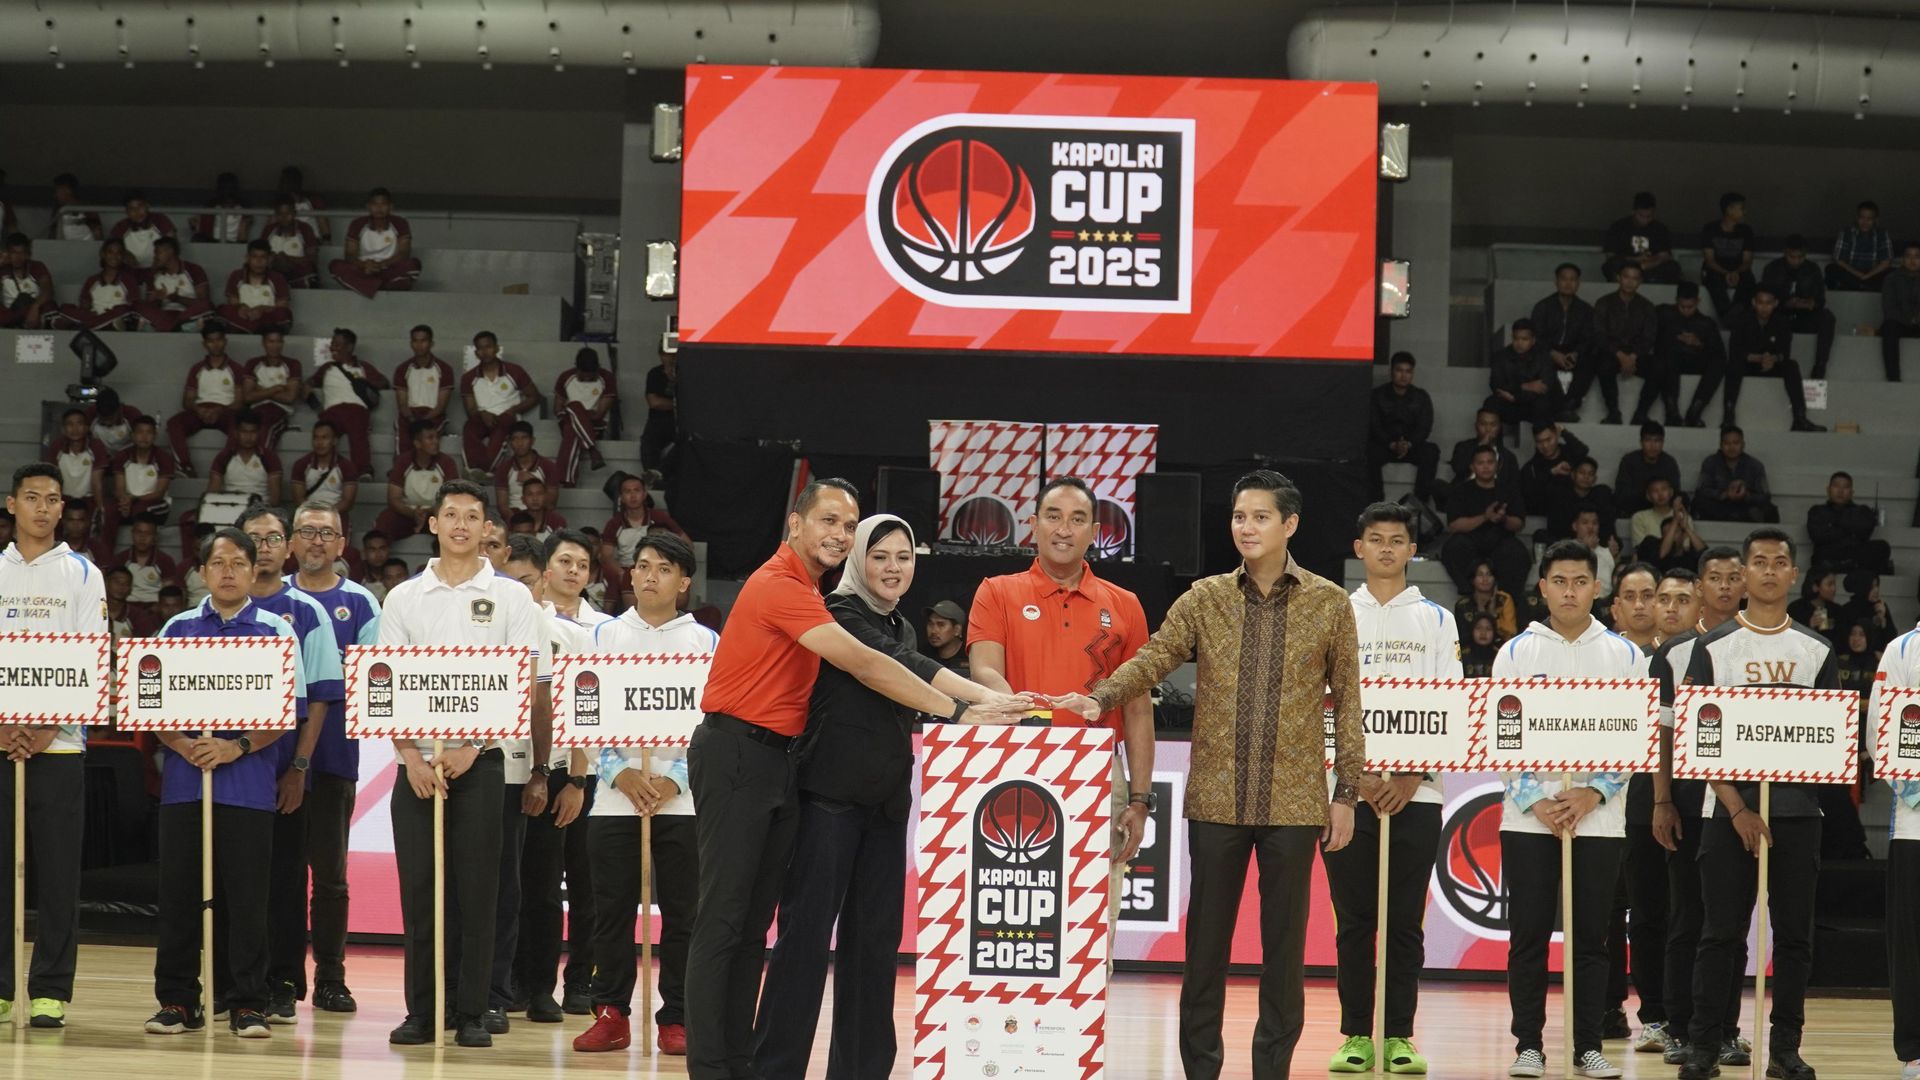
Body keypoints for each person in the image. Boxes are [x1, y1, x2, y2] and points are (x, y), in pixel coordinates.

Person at [683, 478, 1026, 1079]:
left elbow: (906, 661)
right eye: (831, 522)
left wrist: (989, 701)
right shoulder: (790, 588)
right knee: (728, 922)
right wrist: (962, 710)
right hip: (747, 756)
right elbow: (871, 664)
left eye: (849, 525)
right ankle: (718, 1068)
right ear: (796, 523)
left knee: (752, 926)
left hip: (782, 762)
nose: (840, 534)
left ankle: (740, 1064)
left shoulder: (819, 595)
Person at [1055, 469, 1361, 1080]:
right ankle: (1200, 1070)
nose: (1246, 527)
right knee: (1205, 951)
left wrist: (1346, 792)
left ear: (1290, 524)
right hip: (1216, 800)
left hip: (1295, 803)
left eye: (1260, 517)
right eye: (1239, 516)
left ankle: (1272, 1069)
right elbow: (1153, 657)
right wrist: (1099, 696)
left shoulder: (1329, 602)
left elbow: (1349, 701)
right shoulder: (1204, 598)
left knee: (1284, 953)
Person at [380, 480, 553, 1049]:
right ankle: (424, 1010)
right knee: (420, 892)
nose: (460, 525)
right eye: (450, 514)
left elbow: (523, 683)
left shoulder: (512, 598)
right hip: (417, 766)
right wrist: (410, 756)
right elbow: (384, 687)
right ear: (433, 524)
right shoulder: (403, 598)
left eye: (471, 516)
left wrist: (472, 746)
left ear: (486, 529)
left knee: (478, 891)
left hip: (481, 763)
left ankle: (475, 1010)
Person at [965, 476, 1156, 940]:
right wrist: (1025, 715)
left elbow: (1138, 710)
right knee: (1013, 907)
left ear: (1095, 532)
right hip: (1013, 765)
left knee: (1092, 913)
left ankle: (1091, 984)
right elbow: (984, 671)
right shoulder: (996, 591)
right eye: (1053, 517)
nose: (1064, 529)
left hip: (1097, 771)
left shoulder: (1126, 606)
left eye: (1077, 519)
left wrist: (1139, 800)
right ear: (1033, 524)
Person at [1676, 527, 1833, 1080]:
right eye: (1759, 562)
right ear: (1744, 574)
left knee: (1794, 938)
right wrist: (1737, 807)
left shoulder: (1817, 650)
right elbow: (1695, 736)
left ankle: (1785, 1049)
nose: (1769, 570)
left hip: (1797, 813)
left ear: (1794, 574)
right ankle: (1703, 1046)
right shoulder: (1713, 646)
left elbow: (1830, 740)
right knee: (1719, 934)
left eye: (1779, 562)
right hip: (1727, 814)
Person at [143, 527, 306, 1039]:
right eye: (218, 563)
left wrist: (237, 747)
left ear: (255, 570)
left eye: (239, 563)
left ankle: (247, 1003)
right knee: (178, 897)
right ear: (202, 572)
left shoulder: (277, 632)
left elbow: (288, 713)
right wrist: (184, 745)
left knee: (248, 900)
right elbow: (151, 705)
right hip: (185, 785)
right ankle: (178, 1000)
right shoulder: (178, 628)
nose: (229, 572)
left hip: (249, 787)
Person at [1494, 540, 1643, 1080]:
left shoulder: (1624, 655)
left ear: (1597, 588)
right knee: (1529, 936)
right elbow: (1500, 736)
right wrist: (1536, 799)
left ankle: (1588, 1046)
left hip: (1598, 820)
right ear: (1543, 588)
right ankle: (1528, 1046)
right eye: (1559, 581)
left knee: (1591, 939)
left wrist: (1592, 793)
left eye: (1580, 581)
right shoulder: (1515, 653)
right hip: (1527, 819)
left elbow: (1635, 738)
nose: (1570, 592)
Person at [1322, 502, 1459, 1075]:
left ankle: (1399, 1035)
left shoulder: (1437, 620)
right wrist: (1354, 777)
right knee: (1353, 921)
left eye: (1396, 540)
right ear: (1359, 548)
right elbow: (1316, 703)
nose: (1385, 548)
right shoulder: (1332, 612)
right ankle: (1356, 1034)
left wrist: (1409, 775)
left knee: (1404, 922)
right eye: (1375, 539)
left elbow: (1450, 705)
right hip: (1343, 797)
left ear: (1411, 551)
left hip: (1417, 794)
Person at [574, 533, 713, 1056]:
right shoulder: (602, 637)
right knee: (610, 912)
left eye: (664, 568)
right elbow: (581, 713)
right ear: (630, 574)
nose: (651, 576)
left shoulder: (706, 644)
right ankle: (610, 1012)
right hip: (615, 799)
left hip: (684, 801)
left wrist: (675, 777)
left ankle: (677, 1016)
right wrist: (620, 773)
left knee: (684, 914)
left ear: (684, 581)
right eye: (643, 566)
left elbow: (715, 724)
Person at [0, 463, 109, 1030]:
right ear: (11, 504)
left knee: (60, 874)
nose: (42, 508)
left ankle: (49, 991)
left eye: (52, 499)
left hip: (60, 746)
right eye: (32, 497)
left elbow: (94, 656)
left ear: (63, 508)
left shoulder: (83, 573)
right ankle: (0, 990)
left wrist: (47, 725)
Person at [234, 505, 345, 1024]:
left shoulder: (306, 612)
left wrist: (298, 767)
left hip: (283, 767)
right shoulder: (208, 612)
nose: (263, 547)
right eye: (253, 538)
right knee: (237, 878)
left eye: (273, 538)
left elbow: (320, 696)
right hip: (229, 768)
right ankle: (235, 982)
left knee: (285, 877)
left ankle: (283, 981)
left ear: (289, 547)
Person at [1646, 547, 1746, 1070]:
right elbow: (1661, 736)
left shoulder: (1761, 645)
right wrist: (1662, 799)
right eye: (1715, 578)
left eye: (1733, 577)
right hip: (1687, 800)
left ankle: (1726, 1029)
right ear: (1700, 587)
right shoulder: (1675, 652)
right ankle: (1680, 1028)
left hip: (1740, 804)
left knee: (1730, 921)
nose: (1725, 586)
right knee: (1687, 916)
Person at [287, 501, 381, 1014]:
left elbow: (371, 682)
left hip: (333, 757)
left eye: (327, 532)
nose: (317, 540)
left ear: (342, 544)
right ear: (291, 541)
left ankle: (330, 977)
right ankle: (280, 978)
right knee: (277, 876)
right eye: (308, 531)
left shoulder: (361, 603)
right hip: (269, 758)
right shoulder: (271, 598)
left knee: (329, 877)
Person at [513, 531, 607, 1027]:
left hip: (576, 772)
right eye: (565, 561)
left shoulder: (597, 629)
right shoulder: (516, 623)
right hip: (524, 768)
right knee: (533, 884)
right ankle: (527, 983)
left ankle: (578, 982)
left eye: (582, 564)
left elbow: (589, 712)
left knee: (584, 885)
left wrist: (578, 779)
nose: (573, 571)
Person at [1724, 284, 1827, 433]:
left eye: (1768, 303)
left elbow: (1785, 352)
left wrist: (1773, 359)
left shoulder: (1782, 322)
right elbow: (1735, 351)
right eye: (1760, 303)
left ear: (1775, 303)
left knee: (1791, 365)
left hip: (1772, 365)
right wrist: (1758, 358)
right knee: (1733, 365)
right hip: (1748, 365)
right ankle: (1728, 416)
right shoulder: (1742, 320)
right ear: (1753, 302)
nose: (1764, 308)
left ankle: (1800, 417)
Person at [1570, 263, 1656, 425]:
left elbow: (1649, 337)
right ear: (1618, 278)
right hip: (1611, 353)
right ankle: (1613, 412)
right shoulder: (1604, 302)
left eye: (1635, 278)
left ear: (1640, 282)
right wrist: (1620, 355)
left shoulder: (1647, 306)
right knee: (1603, 364)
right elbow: (1599, 334)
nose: (1630, 282)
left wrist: (1633, 357)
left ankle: (1641, 413)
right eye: (1626, 277)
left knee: (1660, 367)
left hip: (1637, 355)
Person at [1441, 445, 1530, 598]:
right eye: (1480, 463)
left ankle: (1506, 600)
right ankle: (1470, 597)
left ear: (1497, 465)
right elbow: (1454, 525)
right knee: (1453, 547)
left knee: (1517, 553)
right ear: (1472, 466)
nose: (1486, 467)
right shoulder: (1461, 491)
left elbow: (1519, 524)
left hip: (1501, 540)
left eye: (1490, 462)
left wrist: (1503, 518)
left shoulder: (1508, 490)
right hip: (1470, 541)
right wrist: (1485, 517)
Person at [310, 328, 389, 480]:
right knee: (323, 434)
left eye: (337, 344)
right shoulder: (326, 368)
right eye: (332, 344)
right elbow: (308, 384)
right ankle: (322, 469)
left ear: (349, 347)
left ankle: (363, 471)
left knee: (359, 435)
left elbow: (384, 382)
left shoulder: (363, 367)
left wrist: (364, 383)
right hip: (332, 411)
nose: (332, 348)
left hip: (356, 410)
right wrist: (316, 406)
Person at [460, 332, 543, 472]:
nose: (485, 352)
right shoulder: (468, 377)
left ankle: (486, 471)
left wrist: (512, 410)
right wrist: (483, 414)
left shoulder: (514, 371)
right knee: (469, 428)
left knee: (500, 432)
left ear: (497, 348)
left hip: (507, 416)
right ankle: (473, 470)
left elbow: (534, 397)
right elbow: (470, 409)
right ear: (476, 353)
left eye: (488, 347)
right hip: (482, 417)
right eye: (480, 348)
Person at [166, 326, 241, 477]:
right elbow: (187, 401)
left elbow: (239, 403)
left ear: (225, 341)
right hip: (200, 411)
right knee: (174, 423)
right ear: (204, 344)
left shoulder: (236, 368)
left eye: (218, 340)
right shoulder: (197, 369)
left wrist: (219, 410)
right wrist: (199, 410)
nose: (215, 345)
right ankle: (185, 467)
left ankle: (226, 468)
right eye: (211, 341)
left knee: (239, 425)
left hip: (226, 411)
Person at [1366, 351, 1439, 504]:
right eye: (1399, 370)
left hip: (1411, 446)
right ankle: (1375, 501)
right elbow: (1374, 425)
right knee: (1368, 451)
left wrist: (1408, 444)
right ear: (1391, 371)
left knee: (1431, 451)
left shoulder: (1421, 396)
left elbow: (1424, 427)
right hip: (1385, 445)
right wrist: (1391, 444)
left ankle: (1419, 502)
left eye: (1408, 371)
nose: (1403, 375)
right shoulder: (1377, 395)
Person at [1759, 236, 1838, 379]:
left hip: (1804, 317)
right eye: (1792, 257)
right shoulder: (1772, 269)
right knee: (1768, 317)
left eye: (1800, 257)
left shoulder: (1813, 269)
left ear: (1805, 255)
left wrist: (1810, 303)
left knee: (1827, 317)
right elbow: (1765, 297)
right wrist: (1785, 303)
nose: (1796, 261)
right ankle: (1776, 364)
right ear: (1785, 253)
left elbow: (1820, 299)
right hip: (1780, 315)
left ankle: (1820, 366)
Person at [1659, 284, 1733, 428]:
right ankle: (1671, 410)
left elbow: (1719, 353)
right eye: (1682, 306)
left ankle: (1696, 409)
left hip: (1695, 361)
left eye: (1690, 307)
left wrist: (1699, 343)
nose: (1686, 310)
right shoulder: (1664, 314)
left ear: (1698, 302)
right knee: (1669, 355)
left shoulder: (1706, 323)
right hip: (1671, 360)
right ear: (1676, 300)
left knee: (1719, 363)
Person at [375, 421, 461, 541]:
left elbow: (451, 497)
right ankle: (379, 552)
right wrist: (413, 513)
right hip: (408, 513)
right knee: (386, 519)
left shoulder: (447, 462)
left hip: (436, 513)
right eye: (430, 438)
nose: (436, 442)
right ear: (417, 443)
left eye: (437, 437)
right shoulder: (403, 461)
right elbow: (393, 498)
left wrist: (428, 511)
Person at [329, 187, 421, 297]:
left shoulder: (400, 223)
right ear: (368, 206)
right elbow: (350, 254)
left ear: (391, 207)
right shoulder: (357, 223)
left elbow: (404, 253)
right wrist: (364, 265)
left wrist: (383, 264)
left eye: (383, 204)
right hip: (364, 270)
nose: (379, 208)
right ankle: (383, 286)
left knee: (413, 265)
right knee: (335, 266)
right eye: (375, 204)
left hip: (389, 269)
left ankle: (367, 287)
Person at [1807, 470, 1892, 575]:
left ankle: (1845, 566)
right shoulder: (1817, 511)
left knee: (1882, 547)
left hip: (1854, 553)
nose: (1840, 491)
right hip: (1829, 554)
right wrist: (1850, 529)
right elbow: (1817, 536)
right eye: (1836, 486)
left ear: (1852, 492)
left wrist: (1833, 525)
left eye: (1845, 487)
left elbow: (1864, 533)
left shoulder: (1862, 511)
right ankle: (1849, 566)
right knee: (1821, 554)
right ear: (1828, 490)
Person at [48, 238, 142, 332]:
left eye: (118, 253)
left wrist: (111, 313)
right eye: (110, 252)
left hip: (116, 317)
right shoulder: (92, 280)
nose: (114, 256)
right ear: (103, 254)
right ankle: (100, 325)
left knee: (123, 310)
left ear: (123, 256)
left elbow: (133, 306)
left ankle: (81, 325)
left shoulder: (129, 280)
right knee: (65, 308)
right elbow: (84, 305)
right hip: (94, 315)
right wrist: (87, 309)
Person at [1488, 321, 1565, 433]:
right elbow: (1496, 385)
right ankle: (1492, 443)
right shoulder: (1501, 357)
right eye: (1516, 338)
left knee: (1543, 403)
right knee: (1490, 403)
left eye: (1524, 339)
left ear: (1533, 340)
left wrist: (1516, 396)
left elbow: (1544, 387)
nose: (1519, 343)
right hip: (1511, 405)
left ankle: (1542, 442)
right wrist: (1524, 386)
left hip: (1533, 405)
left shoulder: (1543, 357)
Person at [555, 347, 616, 485]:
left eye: (591, 374)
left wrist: (579, 413)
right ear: (576, 368)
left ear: (597, 368)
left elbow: (599, 414)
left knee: (572, 428)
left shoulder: (607, 378)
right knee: (574, 407)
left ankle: (567, 481)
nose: (588, 377)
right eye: (583, 374)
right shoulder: (565, 377)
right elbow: (558, 409)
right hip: (569, 419)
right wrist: (576, 411)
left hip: (595, 427)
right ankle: (593, 450)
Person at [1693, 427, 1779, 523]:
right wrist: (1725, 494)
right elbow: (1700, 491)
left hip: (1745, 506)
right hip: (1720, 505)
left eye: (1736, 443)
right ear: (1720, 445)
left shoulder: (1755, 465)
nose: (1731, 447)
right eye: (1727, 443)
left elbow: (1765, 496)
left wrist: (1746, 494)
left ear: (1743, 445)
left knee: (1769, 510)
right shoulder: (1710, 462)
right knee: (1699, 504)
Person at [602, 472, 690, 565]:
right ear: (621, 497)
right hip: (626, 569)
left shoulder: (660, 517)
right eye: (627, 491)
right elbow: (606, 556)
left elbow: (687, 544)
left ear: (644, 494)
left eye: (637, 490)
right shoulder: (614, 523)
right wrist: (620, 572)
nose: (633, 495)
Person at [392, 324, 456, 447]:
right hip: (410, 415)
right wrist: (412, 419)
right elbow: (402, 404)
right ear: (411, 344)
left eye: (423, 341)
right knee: (404, 444)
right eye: (415, 341)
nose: (419, 345)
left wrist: (423, 421)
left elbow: (441, 406)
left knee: (427, 444)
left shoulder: (444, 369)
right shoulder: (402, 369)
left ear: (431, 343)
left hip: (433, 416)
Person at [132, 237, 214, 333]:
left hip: (187, 315)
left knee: (206, 305)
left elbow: (203, 300)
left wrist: (178, 299)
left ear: (170, 251)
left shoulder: (194, 270)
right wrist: (158, 298)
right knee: (137, 305)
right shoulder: (154, 275)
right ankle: (179, 328)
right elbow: (149, 306)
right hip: (163, 315)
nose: (155, 257)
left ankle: (165, 328)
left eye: (157, 252)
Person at [241, 329, 305, 451]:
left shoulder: (293, 364)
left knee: (266, 426)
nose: (275, 346)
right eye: (271, 342)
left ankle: (262, 460)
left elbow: (289, 398)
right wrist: (275, 389)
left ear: (283, 343)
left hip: (279, 410)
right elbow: (247, 397)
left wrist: (260, 390)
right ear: (263, 343)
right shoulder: (253, 363)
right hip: (255, 410)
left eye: (278, 342)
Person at [1532, 263, 1596, 384]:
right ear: (1556, 282)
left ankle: (1573, 397)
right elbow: (1536, 336)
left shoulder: (1586, 309)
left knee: (1589, 362)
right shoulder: (1543, 307)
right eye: (1564, 279)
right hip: (1548, 352)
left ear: (1578, 283)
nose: (1568, 283)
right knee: (1541, 363)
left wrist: (1575, 354)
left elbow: (1588, 337)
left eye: (1572, 279)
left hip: (1573, 353)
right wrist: (1553, 353)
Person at [1700, 192, 1757, 323]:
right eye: (1741, 208)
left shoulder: (1746, 231)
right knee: (1713, 280)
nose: (1745, 212)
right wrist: (1726, 273)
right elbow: (1710, 260)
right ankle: (1728, 315)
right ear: (1729, 210)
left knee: (1748, 281)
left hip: (1739, 269)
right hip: (1715, 270)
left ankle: (1737, 312)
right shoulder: (1710, 229)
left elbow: (1747, 260)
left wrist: (1736, 272)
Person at [207, 412, 284, 507]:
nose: (248, 437)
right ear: (236, 433)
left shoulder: (269, 457)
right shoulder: (224, 456)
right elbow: (213, 492)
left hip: (260, 508)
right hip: (230, 507)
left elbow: (275, 499)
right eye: (244, 432)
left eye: (253, 432)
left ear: (259, 433)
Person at [1603, 191, 1682, 284]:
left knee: (1673, 267)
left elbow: (1664, 256)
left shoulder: (1660, 228)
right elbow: (1610, 255)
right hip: (1626, 265)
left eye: (1649, 216)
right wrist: (1634, 260)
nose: (1645, 220)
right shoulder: (1619, 227)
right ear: (1634, 211)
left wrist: (1647, 264)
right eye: (1641, 216)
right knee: (1612, 264)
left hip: (1651, 267)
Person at [217, 240, 294, 335]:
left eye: (263, 257)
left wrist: (262, 309)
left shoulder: (277, 278)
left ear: (269, 259)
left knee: (284, 313)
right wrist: (242, 307)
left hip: (266, 319)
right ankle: (248, 329)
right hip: (243, 317)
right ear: (247, 258)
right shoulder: (236, 275)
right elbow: (232, 301)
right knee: (223, 310)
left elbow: (282, 305)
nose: (258, 261)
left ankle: (249, 330)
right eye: (254, 257)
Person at [42, 407, 109, 515]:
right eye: (70, 424)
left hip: (88, 499)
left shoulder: (96, 446)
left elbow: (97, 481)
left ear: (87, 428)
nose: (75, 429)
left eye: (79, 424)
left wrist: (100, 507)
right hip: (63, 498)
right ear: (63, 429)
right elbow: (52, 479)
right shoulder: (57, 446)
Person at [1632, 479, 1705, 574]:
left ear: (1671, 492)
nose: (1660, 494)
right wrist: (1675, 520)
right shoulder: (1640, 519)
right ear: (1648, 496)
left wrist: (1686, 527)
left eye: (1663, 489)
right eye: (1655, 491)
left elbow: (1702, 552)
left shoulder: (1683, 517)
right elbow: (1654, 554)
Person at [290, 420, 357, 523]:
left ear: (335, 441)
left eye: (324, 438)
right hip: (308, 515)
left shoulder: (346, 466)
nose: (319, 443)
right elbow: (298, 499)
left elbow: (348, 501)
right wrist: (314, 515)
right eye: (316, 438)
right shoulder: (301, 465)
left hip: (336, 515)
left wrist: (327, 514)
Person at [1614, 422, 1683, 516]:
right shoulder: (1629, 461)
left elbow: (1674, 491)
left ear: (1663, 442)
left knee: (1682, 498)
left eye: (1657, 441)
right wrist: (1650, 495)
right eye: (1648, 440)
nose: (1652, 445)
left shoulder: (1669, 462)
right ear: (1641, 442)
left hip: (1662, 505)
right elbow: (1622, 492)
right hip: (1636, 505)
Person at [1518, 422, 1590, 512]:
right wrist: (1552, 472)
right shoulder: (1531, 467)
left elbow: (1583, 451)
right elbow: (1529, 495)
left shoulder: (1569, 454)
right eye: (1539, 442)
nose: (1545, 446)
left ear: (1557, 435)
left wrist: (1564, 432)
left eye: (1548, 439)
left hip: (1575, 507)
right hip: (1549, 509)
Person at [492, 422, 562, 513]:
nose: (519, 443)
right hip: (514, 516)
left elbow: (551, 505)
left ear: (532, 440)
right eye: (515, 439)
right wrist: (517, 520)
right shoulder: (504, 468)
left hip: (540, 516)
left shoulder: (548, 466)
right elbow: (502, 506)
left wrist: (533, 480)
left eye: (524, 438)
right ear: (510, 443)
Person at [1827, 200, 1893, 292]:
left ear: (1875, 220)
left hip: (1873, 275)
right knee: (1831, 269)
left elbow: (1886, 262)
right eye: (1862, 218)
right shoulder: (1846, 232)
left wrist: (1867, 276)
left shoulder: (1882, 234)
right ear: (1857, 218)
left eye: (1869, 219)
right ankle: (1862, 286)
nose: (1865, 222)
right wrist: (1858, 274)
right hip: (1851, 274)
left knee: (1892, 273)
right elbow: (1838, 259)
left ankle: (1860, 286)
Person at [1547, 458, 1616, 543]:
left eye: (1590, 474)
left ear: (1595, 479)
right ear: (1573, 475)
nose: (1586, 477)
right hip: (1567, 542)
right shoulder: (1562, 494)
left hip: (1595, 541)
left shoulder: (1600, 495)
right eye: (1582, 473)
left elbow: (1607, 527)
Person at [259, 195, 321, 288]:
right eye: (280, 214)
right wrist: (273, 258)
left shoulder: (305, 229)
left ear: (294, 213)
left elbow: (313, 259)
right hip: (274, 272)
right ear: (276, 215)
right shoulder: (269, 229)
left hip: (298, 273)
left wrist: (287, 259)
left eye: (288, 214)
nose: (284, 217)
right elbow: (259, 254)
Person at [1448, 408, 1520, 486]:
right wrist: (1480, 446)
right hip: (1464, 491)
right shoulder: (1463, 447)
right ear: (1476, 426)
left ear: (1499, 427)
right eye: (1483, 424)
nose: (1488, 429)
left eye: (1493, 425)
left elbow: (1514, 487)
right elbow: (1458, 468)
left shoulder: (1509, 457)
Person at [109, 190, 177, 269]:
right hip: (132, 270)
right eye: (131, 208)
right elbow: (112, 248)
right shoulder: (121, 227)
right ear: (127, 212)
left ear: (147, 206)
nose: (137, 211)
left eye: (140, 206)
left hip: (160, 268)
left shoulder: (160, 220)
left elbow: (173, 245)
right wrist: (126, 255)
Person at [1454, 559, 1520, 640]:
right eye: (1480, 574)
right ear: (1472, 579)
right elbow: (1459, 638)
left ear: (1495, 579)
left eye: (1489, 574)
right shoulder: (1463, 605)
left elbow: (1511, 634)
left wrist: (1493, 615)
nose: (1485, 579)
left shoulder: (1504, 600)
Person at [1883, 242, 1920, 383]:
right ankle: (1893, 377)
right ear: (1903, 259)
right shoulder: (1891, 279)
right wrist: (1909, 319)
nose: (1912, 260)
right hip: (1900, 323)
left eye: (1917, 256)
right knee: (1889, 327)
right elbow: (1889, 307)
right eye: (1909, 256)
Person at [0, 233, 54, 329]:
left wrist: (35, 307)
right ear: (7, 253)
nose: (18, 257)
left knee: (50, 307)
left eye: (22, 253)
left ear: (27, 253)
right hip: (10, 312)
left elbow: (47, 291)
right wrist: (1, 262)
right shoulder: (3, 269)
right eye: (13, 253)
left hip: (34, 309)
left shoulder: (37, 266)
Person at [643, 349, 679, 472]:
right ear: (660, 355)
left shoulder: (688, 373)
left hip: (680, 422)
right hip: (658, 422)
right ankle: (652, 475)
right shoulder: (655, 373)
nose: (670, 358)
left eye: (673, 355)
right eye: (666, 354)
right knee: (649, 444)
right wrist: (677, 405)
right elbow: (654, 403)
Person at [193, 172, 253, 244]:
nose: (227, 193)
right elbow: (202, 230)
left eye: (230, 189)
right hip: (212, 243)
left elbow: (243, 235)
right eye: (225, 189)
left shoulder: (244, 209)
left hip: (235, 244)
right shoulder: (211, 207)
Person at [1786, 568, 1842, 644]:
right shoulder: (1796, 609)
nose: (1834, 589)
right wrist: (1810, 626)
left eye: (1834, 584)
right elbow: (1789, 639)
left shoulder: (1837, 610)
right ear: (1815, 587)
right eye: (1829, 584)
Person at [277, 166, 330, 242]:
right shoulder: (278, 204)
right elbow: (271, 228)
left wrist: (326, 243)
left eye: (291, 181)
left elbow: (324, 229)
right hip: (286, 243)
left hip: (313, 242)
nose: (287, 184)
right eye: (284, 181)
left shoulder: (315, 201)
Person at [47, 174, 103, 242]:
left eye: (57, 191)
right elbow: (52, 237)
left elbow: (97, 234)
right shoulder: (58, 211)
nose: (55, 195)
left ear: (67, 190)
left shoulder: (87, 209)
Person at [922, 599, 969, 675]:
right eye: (930, 624)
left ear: (957, 630)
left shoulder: (971, 656)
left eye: (941, 624)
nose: (933, 631)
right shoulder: (922, 656)